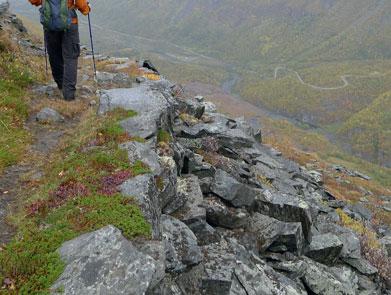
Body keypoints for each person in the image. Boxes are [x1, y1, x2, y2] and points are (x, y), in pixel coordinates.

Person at [28, 0, 90, 101]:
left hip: (50, 22)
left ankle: (60, 85)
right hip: (70, 22)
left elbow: (34, 1)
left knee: (54, 54)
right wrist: (86, 9)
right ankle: (69, 95)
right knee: (70, 57)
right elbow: (81, 4)